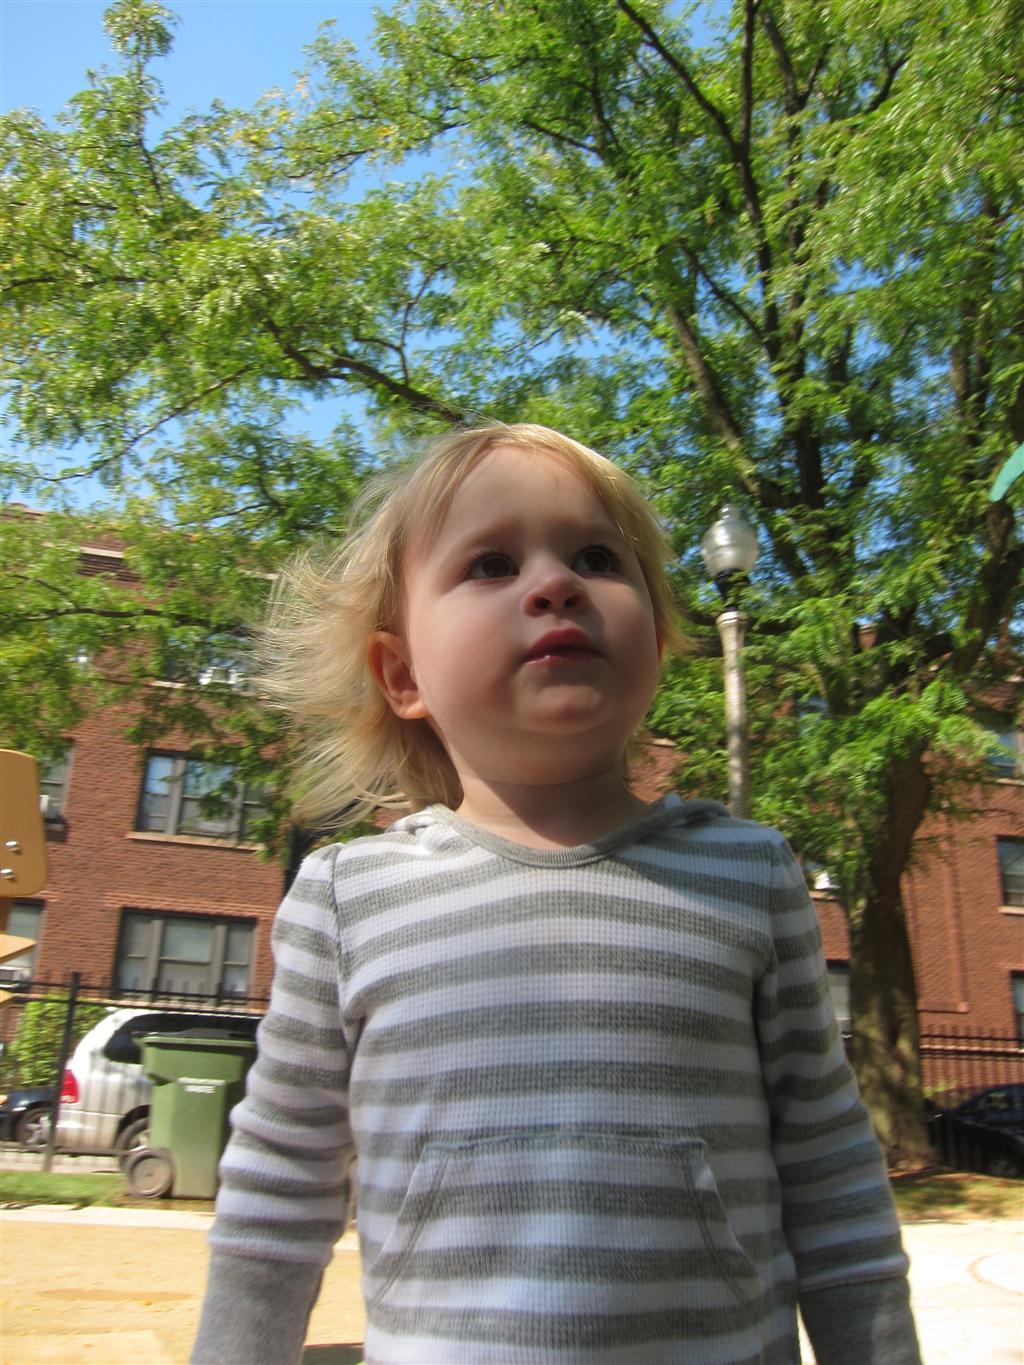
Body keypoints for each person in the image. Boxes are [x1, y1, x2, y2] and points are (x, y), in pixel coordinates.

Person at [192, 423, 920, 1365]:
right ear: (403, 674)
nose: (556, 583)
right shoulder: (348, 900)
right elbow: (277, 1189)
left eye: (597, 558)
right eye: (491, 564)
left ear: (657, 639)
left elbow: (829, 1167)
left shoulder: (747, 876)